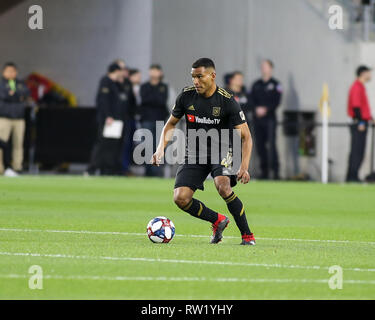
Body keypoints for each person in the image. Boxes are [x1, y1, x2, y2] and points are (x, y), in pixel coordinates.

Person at [151, 58, 255, 245]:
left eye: (200, 76)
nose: (196, 81)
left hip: (222, 149)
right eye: (193, 77)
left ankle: (247, 236)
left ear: (212, 75)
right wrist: (160, 149)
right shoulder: (186, 96)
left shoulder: (227, 100)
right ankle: (218, 220)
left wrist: (244, 166)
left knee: (223, 186)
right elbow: (171, 124)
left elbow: (246, 137)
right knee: (180, 198)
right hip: (195, 152)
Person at [86, 62, 123, 175]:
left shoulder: (115, 84)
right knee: (102, 144)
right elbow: (103, 101)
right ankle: (92, 168)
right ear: (116, 71)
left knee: (112, 145)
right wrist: (108, 116)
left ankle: (107, 169)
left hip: (115, 120)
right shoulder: (105, 81)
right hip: (108, 120)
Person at [249, 59, 282, 180]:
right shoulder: (256, 84)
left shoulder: (276, 84)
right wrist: (256, 109)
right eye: (262, 66)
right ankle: (264, 172)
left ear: (270, 68)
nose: (263, 68)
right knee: (260, 145)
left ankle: (276, 172)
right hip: (257, 120)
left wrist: (266, 109)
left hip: (270, 120)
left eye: (265, 66)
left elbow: (276, 101)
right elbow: (250, 100)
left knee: (272, 145)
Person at [0, 62, 30, 176]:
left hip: (19, 118)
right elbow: (4, 95)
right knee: (2, 144)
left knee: (18, 144)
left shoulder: (20, 84)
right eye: (8, 71)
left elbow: (26, 93)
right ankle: (1, 168)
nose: (11, 73)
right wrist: (17, 96)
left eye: (13, 71)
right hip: (4, 118)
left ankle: (17, 167)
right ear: (4, 72)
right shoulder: (1, 84)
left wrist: (13, 94)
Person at [140, 64, 169, 176]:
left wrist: (152, 99)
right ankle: (148, 171)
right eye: (152, 71)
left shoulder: (164, 87)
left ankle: (158, 171)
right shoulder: (144, 86)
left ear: (160, 73)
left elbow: (162, 101)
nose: (154, 73)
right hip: (146, 119)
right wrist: (155, 98)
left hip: (160, 120)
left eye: (156, 71)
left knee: (159, 145)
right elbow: (144, 100)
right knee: (147, 146)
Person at [346, 65, 373, 182]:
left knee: (359, 151)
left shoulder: (361, 87)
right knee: (357, 151)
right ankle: (352, 176)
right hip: (358, 123)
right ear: (363, 73)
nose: (370, 75)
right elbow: (356, 107)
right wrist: (361, 121)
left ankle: (353, 176)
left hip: (363, 121)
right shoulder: (356, 87)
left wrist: (370, 118)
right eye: (368, 72)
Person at [115, 59, 137, 175]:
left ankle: (124, 168)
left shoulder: (127, 84)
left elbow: (132, 101)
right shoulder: (111, 83)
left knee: (127, 144)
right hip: (115, 119)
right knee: (113, 144)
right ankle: (112, 167)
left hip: (127, 118)